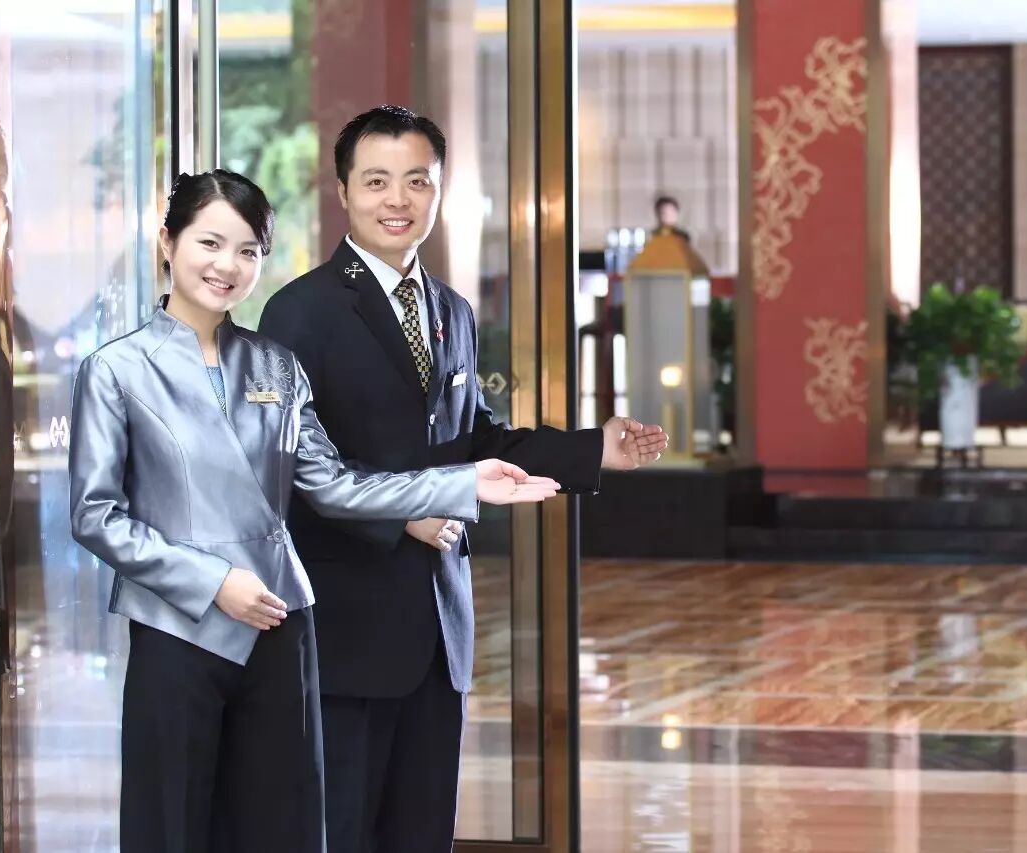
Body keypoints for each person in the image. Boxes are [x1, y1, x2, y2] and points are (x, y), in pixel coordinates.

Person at [67, 169, 560, 853]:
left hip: (282, 628)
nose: (227, 265)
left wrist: (461, 482)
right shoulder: (116, 369)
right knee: (170, 828)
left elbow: (334, 486)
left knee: (287, 829)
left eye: (248, 250)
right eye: (210, 243)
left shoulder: (275, 366)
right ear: (168, 241)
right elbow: (95, 514)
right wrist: (213, 581)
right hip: (177, 632)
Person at [258, 105, 668, 853]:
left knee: (423, 834)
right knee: (339, 832)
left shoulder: (451, 310)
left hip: (439, 628)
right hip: (346, 630)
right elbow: (288, 473)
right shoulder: (299, 313)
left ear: (439, 190)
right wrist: (404, 514)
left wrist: (593, 451)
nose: (398, 199)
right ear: (343, 191)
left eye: (417, 181)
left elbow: (478, 439)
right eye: (377, 181)